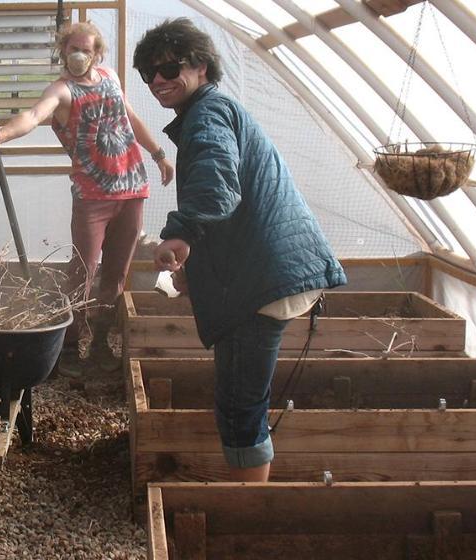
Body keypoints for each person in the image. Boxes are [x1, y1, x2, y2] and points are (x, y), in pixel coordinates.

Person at [133, 19, 347, 482]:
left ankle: (246, 508)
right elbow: (230, 205)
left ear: (202, 66)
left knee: (240, 404)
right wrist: (196, 265)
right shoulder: (209, 112)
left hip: (263, 280)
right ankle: (247, 492)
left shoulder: (208, 115)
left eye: (169, 67)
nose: (158, 81)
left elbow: (216, 189)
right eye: (148, 75)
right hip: (261, 272)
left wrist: (181, 232)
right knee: (241, 394)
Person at [0, 22, 173, 376]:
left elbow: (130, 118)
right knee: (81, 271)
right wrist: (2, 133)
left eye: (86, 49)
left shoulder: (111, 78)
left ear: (97, 53)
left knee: (116, 274)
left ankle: (100, 346)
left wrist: (159, 153)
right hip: (92, 195)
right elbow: (35, 115)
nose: (79, 55)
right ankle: (67, 348)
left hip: (132, 188)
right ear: (63, 51)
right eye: (72, 49)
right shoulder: (62, 91)